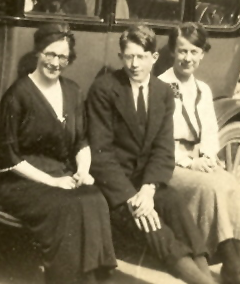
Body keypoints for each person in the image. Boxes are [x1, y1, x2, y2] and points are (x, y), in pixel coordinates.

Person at [87, 25, 217, 284]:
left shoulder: (163, 92)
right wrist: (133, 197)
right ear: (121, 56)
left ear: (154, 58)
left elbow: (163, 148)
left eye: (142, 57)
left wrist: (148, 188)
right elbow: (101, 154)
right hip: (116, 189)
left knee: (177, 206)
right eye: (129, 56)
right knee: (151, 224)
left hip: (145, 183)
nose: (135, 64)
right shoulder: (104, 89)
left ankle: (206, 278)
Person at [0, 23, 117, 284]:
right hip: (21, 182)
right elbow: (9, 158)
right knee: (69, 206)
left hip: (62, 175)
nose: (55, 62)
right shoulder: (18, 95)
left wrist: (83, 171)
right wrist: (53, 182)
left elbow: (81, 141)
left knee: (94, 198)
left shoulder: (72, 91)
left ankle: (94, 279)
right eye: (50, 54)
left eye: (63, 57)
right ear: (38, 52)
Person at [159, 22, 240, 284]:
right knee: (213, 187)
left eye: (194, 52)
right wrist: (189, 162)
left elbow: (209, 130)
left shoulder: (202, 90)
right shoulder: (160, 86)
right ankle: (232, 265)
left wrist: (207, 156)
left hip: (197, 158)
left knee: (229, 182)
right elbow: (158, 139)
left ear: (202, 54)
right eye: (183, 51)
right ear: (173, 51)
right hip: (169, 160)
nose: (188, 58)